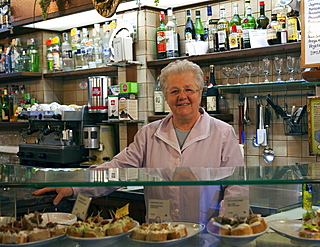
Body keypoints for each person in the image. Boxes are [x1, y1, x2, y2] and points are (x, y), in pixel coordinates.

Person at [33, 59, 248, 224]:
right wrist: (74, 185)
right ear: (165, 96)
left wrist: (228, 226)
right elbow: (116, 170)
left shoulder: (222, 133)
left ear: (200, 93)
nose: (182, 96)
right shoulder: (149, 134)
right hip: (159, 234)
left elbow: (236, 187)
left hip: (207, 235)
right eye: (174, 91)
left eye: (188, 89)